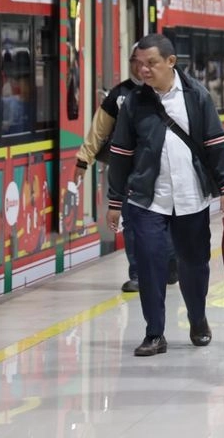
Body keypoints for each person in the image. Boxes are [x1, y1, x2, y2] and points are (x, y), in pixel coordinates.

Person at [106, 34, 224, 357]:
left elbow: (216, 144)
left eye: (151, 63)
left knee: (195, 265)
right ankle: (154, 333)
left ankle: (197, 318)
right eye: (139, 64)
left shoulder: (197, 96)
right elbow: (121, 152)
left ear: (170, 62)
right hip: (147, 199)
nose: (144, 70)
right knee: (150, 267)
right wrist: (114, 200)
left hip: (191, 198)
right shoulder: (134, 102)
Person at [76, 43, 145, 292]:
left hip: (163, 173)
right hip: (127, 173)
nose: (141, 66)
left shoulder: (172, 93)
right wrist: (84, 160)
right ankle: (137, 274)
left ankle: (169, 262)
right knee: (132, 224)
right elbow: (99, 129)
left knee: (165, 224)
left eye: (147, 60)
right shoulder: (118, 95)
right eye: (135, 60)